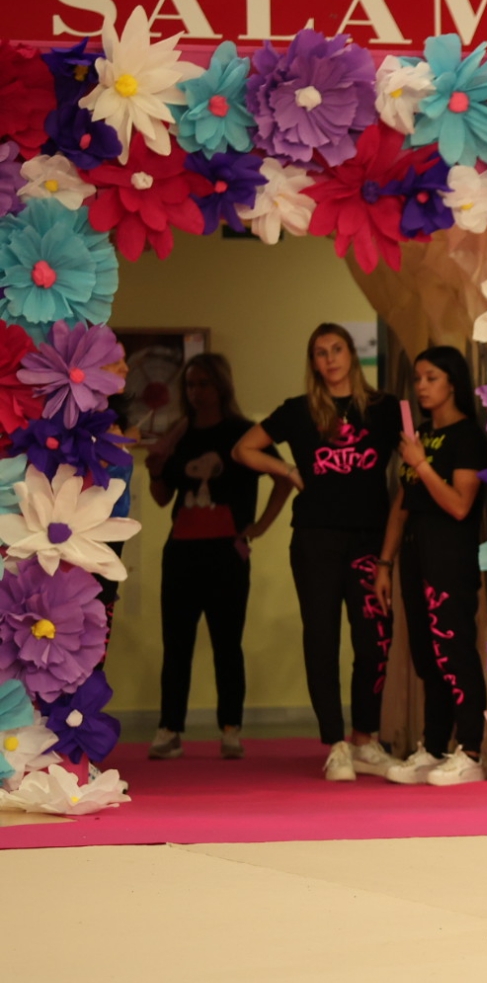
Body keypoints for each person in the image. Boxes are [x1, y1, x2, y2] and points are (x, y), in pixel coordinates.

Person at [234, 323, 402, 782]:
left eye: (337, 349)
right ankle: (336, 744)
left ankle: (365, 738)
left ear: (351, 354)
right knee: (322, 638)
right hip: (315, 539)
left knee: (374, 640)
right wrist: (288, 470)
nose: (330, 359)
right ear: (313, 362)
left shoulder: (385, 409)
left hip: (369, 540)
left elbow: (411, 466)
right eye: (320, 352)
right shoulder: (299, 410)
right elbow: (243, 449)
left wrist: (389, 554)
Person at [145, 354, 292, 761]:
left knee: (227, 643)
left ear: (221, 387)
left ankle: (230, 728)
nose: (196, 392)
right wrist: (155, 470)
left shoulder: (243, 433)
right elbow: (162, 498)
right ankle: (170, 728)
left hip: (227, 553)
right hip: (181, 552)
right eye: (190, 384)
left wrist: (260, 525)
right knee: (177, 644)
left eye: (204, 384)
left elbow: (284, 476)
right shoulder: (179, 433)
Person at [372, 347, 487, 787]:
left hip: (450, 556)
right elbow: (401, 505)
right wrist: (385, 562)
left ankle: (471, 750)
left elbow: (460, 505)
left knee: (453, 650)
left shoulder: (468, 437)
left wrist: (421, 463)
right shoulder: (419, 434)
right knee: (425, 655)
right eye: (418, 378)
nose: (421, 386)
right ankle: (434, 746)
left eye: (431, 378)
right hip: (414, 554)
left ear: (453, 383)